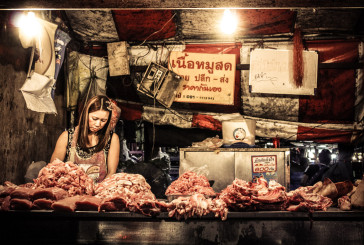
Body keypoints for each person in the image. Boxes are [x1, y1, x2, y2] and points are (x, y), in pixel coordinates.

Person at [51, 95, 120, 183]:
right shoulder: (67, 137)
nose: (98, 124)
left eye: (103, 120)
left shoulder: (112, 139)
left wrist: (98, 190)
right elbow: (53, 170)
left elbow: (111, 172)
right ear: (85, 115)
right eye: (94, 119)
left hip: (98, 193)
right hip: (71, 192)